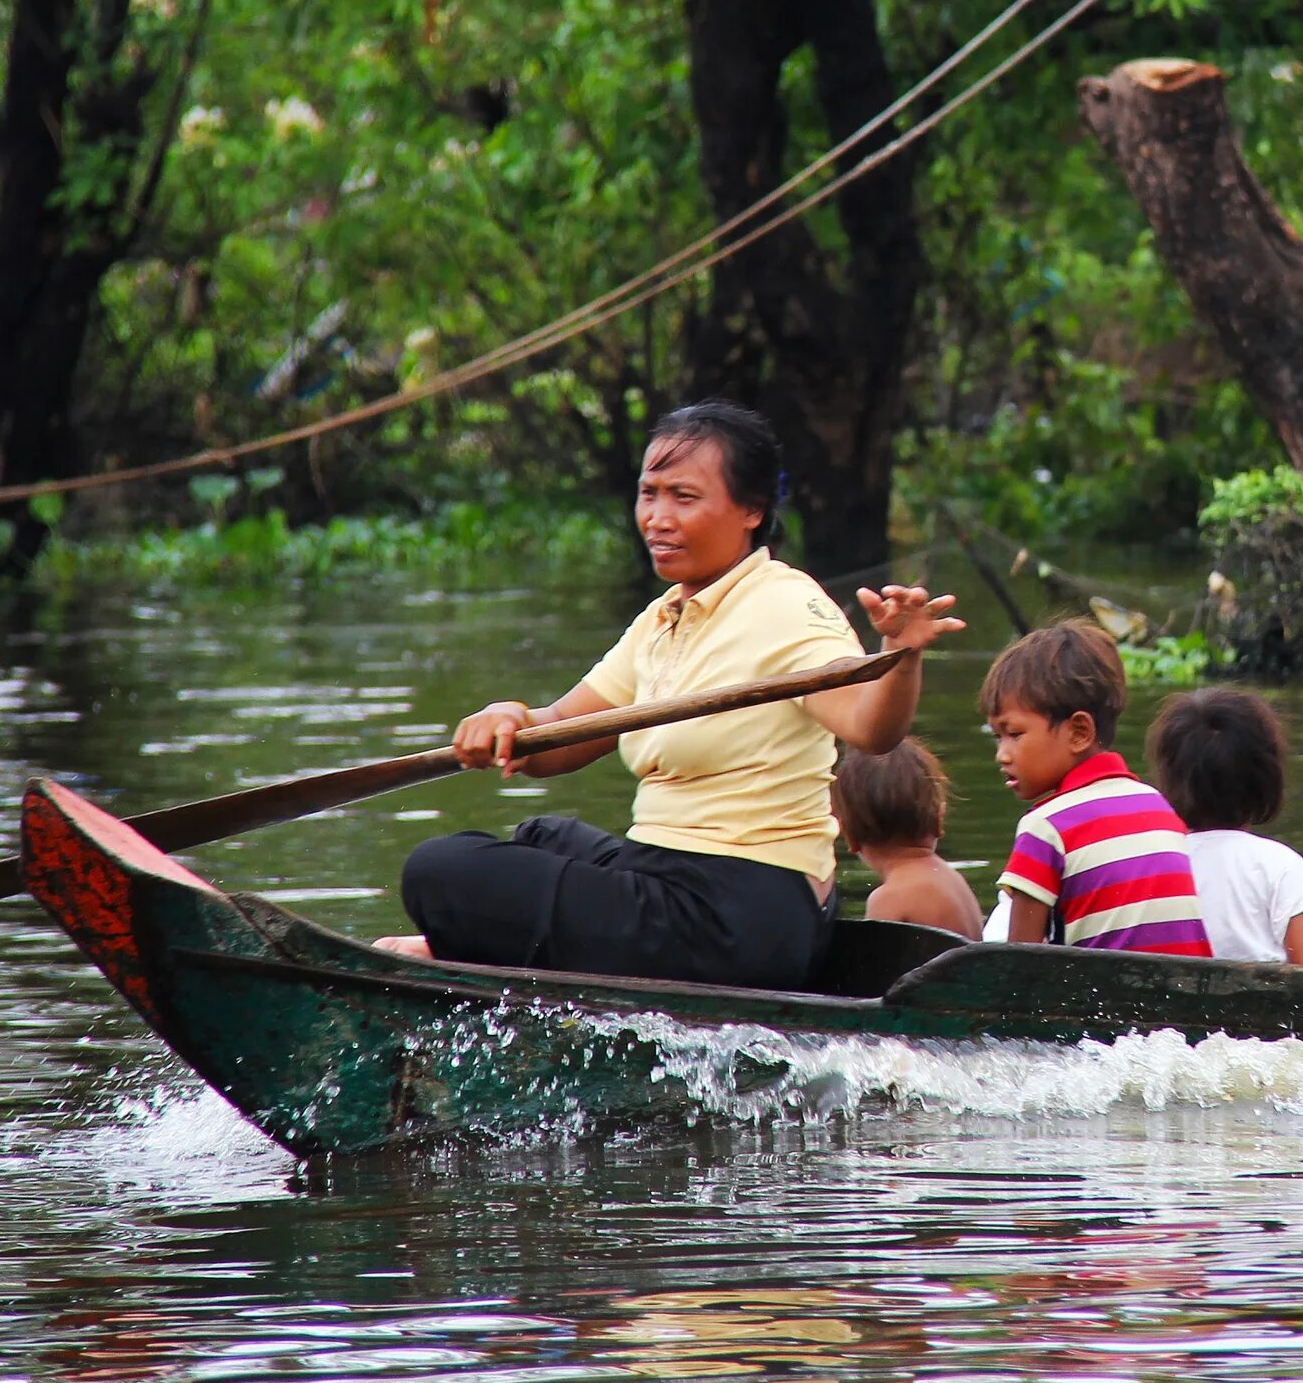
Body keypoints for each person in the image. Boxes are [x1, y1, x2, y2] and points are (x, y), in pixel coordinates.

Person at [380, 400, 963, 989]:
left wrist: (901, 658)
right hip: (668, 879)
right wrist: (509, 720)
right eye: (649, 493)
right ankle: (477, 943)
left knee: (436, 870)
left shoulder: (786, 604)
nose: (658, 517)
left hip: (740, 914)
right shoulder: (663, 617)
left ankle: (460, 947)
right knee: (541, 834)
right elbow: (557, 736)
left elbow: (871, 727)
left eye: (684, 498)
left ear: (752, 511)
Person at [986, 622, 1212, 955]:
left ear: (1079, 731)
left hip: (1103, 1001)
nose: (1001, 755)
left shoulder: (1045, 826)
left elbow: (1021, 962)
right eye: (997, 737)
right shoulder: (1159, 806)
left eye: (1015, 735)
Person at [1148, 687, 1303, 968]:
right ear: (1265, 779)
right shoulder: (1278, 865)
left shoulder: (1156, 862)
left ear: (1168, 777)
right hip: (1258, 1010)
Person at [832, 738, 984, 940]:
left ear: (849, 834)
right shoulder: (953, 881)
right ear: (939, 819)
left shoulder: (888, 899)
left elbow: (877, 970)